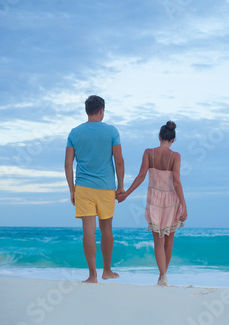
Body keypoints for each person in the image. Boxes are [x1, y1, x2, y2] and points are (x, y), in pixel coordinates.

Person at [117, 121, 187, 286]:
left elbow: (141, 176)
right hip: (171, 200)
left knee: (158, 241)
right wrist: (184, 204)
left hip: (154, 200)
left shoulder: (149, 153)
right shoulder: (175, 156)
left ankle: (162, 276)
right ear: (173, 140)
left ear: (159, 137)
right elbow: (176, 181)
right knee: (169, 241)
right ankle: (163, 276)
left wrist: (126, 194)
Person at [64, 95, 125, 283]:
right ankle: (107, 270)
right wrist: (121, 185)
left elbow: (67, 164)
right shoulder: (112, 131)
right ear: (101, 110)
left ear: (87, 111)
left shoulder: (74, 132)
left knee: (88, 231)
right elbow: (119, 160)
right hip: (106, 187)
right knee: (107, 230)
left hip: (83, 187)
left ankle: (92, 275)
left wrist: (71, 190)